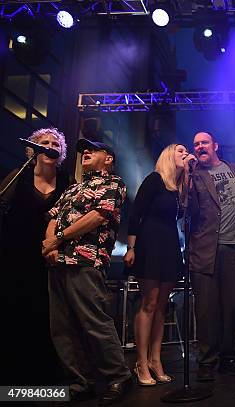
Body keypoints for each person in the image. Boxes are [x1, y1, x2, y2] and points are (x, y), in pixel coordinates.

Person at [42, 138, 132, 404]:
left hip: (87, 260)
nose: (86, 152)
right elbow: (53, 218)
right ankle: (80, 381)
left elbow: (98, 216)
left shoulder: (113, 184)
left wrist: (57, 239)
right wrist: (50, 246)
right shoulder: (74, 187)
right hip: (58, 262)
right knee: (62, 326)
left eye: (93, 149)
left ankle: (118, 376)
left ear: (109, 158)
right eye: (83, 150)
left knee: (93, 321)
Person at [188, 131, 235, 382]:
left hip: (234, 249)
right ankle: (207, 362)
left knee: (231, 308)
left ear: (215, 145)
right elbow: (183, 206)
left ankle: (229, 358)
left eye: (204, 142)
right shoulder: (193, 175)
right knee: (206, 310)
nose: (199, 146)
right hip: (205, 251)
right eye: (196, 144)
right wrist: (186, 173)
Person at [1, 128, 71, 385]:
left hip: (51, 257)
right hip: (15, 256)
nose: (50, 146)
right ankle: (15, 379)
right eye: (45, 142)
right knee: (16, 311)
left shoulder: (67, 184)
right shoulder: (17, 177)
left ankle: (50, 378)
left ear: (60, 153)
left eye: (55, 144)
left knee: (50, 315)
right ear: (34, 149)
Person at [123, 144, 195, 385]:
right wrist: (131, 247)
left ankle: (156, 359)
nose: (185, 154)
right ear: (168, 155)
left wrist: (189, 175)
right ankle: (140, 362)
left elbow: (186, 214)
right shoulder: (154, 180)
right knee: (149, 302)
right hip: (150, 241)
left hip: (170, 243)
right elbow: (136, 213)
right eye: (181, 151)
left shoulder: (179, 188)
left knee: (163, 305)